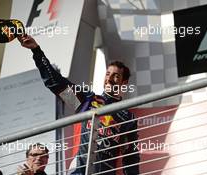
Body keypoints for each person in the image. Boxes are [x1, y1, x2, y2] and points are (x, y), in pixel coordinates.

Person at [18, 35, 140, 175]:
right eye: (107, 74)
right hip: (79, 171)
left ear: (124, 83)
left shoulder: (128, 118)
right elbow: (55, 83)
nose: (109, 79)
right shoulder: (87, 101)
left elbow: (131, 158)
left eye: (116, 76)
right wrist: (36, 51)